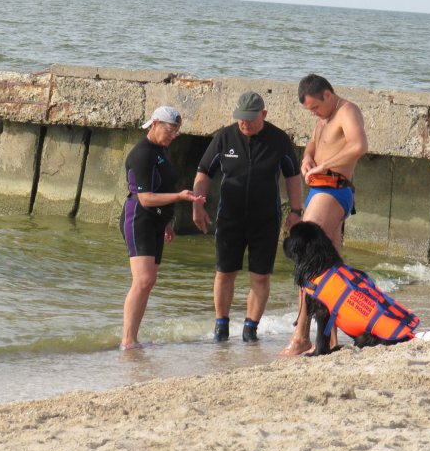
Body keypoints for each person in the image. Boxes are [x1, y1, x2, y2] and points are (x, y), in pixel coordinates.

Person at [193, 91, 303, 342]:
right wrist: (197, 205)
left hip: (266, 219)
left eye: (251, 119)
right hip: (230, 217)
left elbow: (293, 177)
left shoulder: (278, 140)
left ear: (263, 114)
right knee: (224, 272)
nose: (245, 123)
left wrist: (296, 212)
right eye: (241, 118)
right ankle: (221, 327)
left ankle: (250, 329)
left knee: (260, 275)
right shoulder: (225, 137)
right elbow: (203, 173)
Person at [279, 74, 369, 356]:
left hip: (335, 189)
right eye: (310, 110)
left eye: (315, 107)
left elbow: (359, 146)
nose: (313, 113)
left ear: (327, 95)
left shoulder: (347, 111)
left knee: (306, 254)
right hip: (320, 191)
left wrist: (324, 166)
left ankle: (301, 335)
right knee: (330, 267)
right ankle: (328, 338)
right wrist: (307, 159)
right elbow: (314, 146)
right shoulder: (324, 118)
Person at [120, 106, 205, 350]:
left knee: (149, 280)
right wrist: (179, 197)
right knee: (142, 279)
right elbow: (145, 198)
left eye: (176, 131)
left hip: (157, 220)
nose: (173, 135)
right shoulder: (142, 154)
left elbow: (163, 187)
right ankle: (128, 340)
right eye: (169, 130)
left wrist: (168, 221)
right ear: (154, 123)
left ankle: (132, 338)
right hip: (139, 218)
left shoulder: (162, 151)